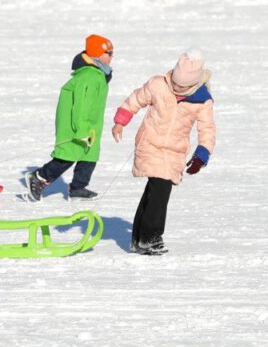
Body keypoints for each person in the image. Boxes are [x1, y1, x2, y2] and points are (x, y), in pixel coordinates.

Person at [111, 49, 216, 255]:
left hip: (174, 150)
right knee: (160, 188)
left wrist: (201, 155)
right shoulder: (159, 84)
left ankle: (139, 239)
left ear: (193, 83)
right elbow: (136, 99)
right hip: (150, 142)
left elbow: (208, 129)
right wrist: (120, 121)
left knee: (155, 189)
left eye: (182, 86)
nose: (176, 88)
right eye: (175, 83)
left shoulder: (202, 99)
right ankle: (150, 238)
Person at [26, 34, 114, 201]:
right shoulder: (89, 76)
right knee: (68, 155)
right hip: (77, 124)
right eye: (108, 53)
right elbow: (81, 106)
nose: (111, 56)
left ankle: (78, 187)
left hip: (91, 124)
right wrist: (82, 129)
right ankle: (39, 176)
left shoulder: (98, 74)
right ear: (97, 54)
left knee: (89, 156)